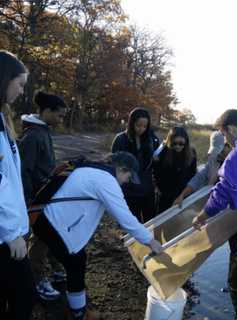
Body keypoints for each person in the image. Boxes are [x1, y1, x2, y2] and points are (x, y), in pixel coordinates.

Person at [31, 151, 163, 320]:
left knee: (72, 258)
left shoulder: (94, 170)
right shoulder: (105, 180)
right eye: (128, 177)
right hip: (51, 222)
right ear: (122, 169)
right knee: (76, 263)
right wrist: (150, 241)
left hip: (46, 217)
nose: (127, 182)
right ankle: (78, 313)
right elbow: (125, 218)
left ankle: (64, 285)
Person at [18, 91, 67, 300]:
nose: (61, 119)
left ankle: (54, 271)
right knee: (39, 240)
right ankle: (36, 281)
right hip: (36, 200)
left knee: (49, 236)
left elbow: (41, 166)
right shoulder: (32, 136)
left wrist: (55, 170)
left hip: (46, 195)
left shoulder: (44, 131)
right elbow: (24, 172)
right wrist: (31, 200)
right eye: (59, 115)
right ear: (47, 111)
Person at [192, 109, 237, 319]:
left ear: (230, 129)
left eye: (224, 134)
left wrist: (203, 215)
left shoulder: (235, 157)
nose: (226, 140)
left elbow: (223, 192)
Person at [0, 50, 35, 319]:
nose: (22, 91)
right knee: (23, 295)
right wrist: (12, 231)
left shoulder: (3, 118)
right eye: (20, 84)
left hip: (9, 230)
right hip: (4, 233)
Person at [111, 107, 160, 222]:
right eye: (138, 125)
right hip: (128, 190)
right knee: (132, 222)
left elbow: (158, 162)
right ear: (131, 123)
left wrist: (156, 159)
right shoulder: (120, 139)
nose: (141, 129)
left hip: (147, 189)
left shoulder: (152, 139)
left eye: (144, 126)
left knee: (151, 221)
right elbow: (113, 163)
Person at [173, 131, 230, 207]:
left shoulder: (235, 165)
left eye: (222, 151)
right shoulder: (214, 160)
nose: (219, 154)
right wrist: (182, 195)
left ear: (229, 146)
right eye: (216, 152)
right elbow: (198, 178)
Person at [153, 126, 197, 213]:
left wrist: (185, 193)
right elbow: (156, 172)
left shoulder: (191, 153)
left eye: (181, 143)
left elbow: (192, 173)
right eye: (174, 143)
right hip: (165, 195)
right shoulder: (163, 152)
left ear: (186, 142)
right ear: (170, 141)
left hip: (183, 194)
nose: (178, 146)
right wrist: (158, 188)